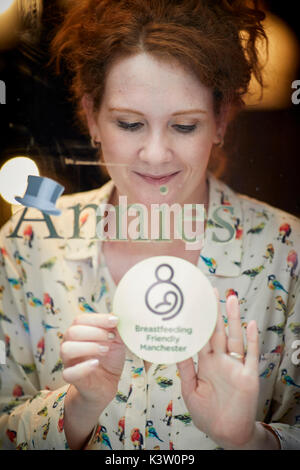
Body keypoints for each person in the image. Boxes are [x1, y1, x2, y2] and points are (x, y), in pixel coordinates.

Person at [0, 0, 300, 451]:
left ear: (219, 120)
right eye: (130, 123)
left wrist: (249, 439)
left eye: (184, 126)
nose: (156, 154)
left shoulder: (286, 251)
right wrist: (77, 409)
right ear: (91, 117)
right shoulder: (28, 244)